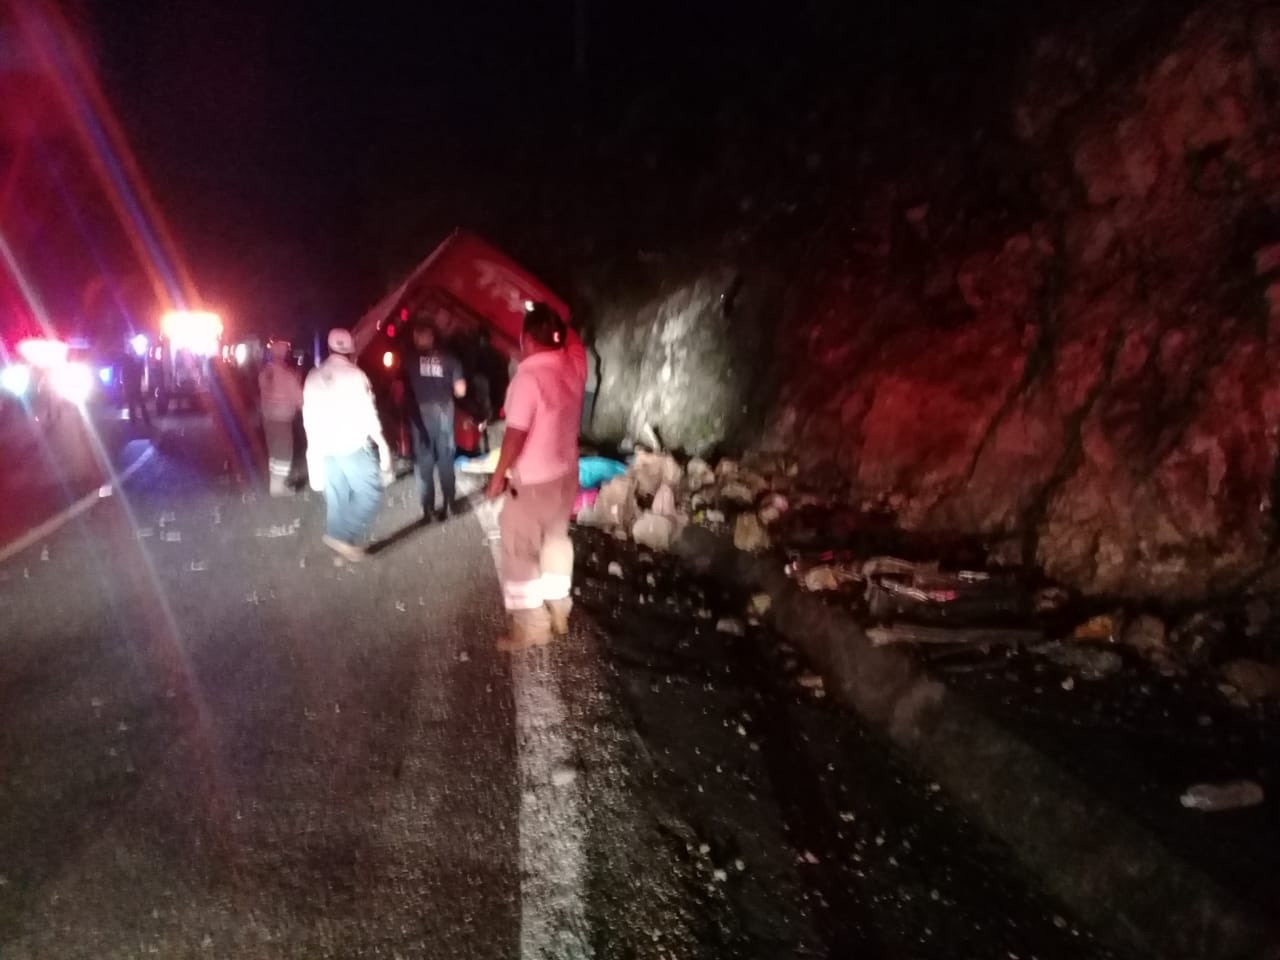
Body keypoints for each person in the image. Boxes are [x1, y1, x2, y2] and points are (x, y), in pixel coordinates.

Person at [485, 302, 587, 651]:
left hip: (532, 483)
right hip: (566, 475)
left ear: (526, 339)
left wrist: (498, 476)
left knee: (519, 548)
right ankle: (559, 609)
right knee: (556, 539)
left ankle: (532, 626)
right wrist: (557, 321)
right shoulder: (574, 365)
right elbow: (573, 340)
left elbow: (515, 435)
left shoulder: (527, 379)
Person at [303, 328, 393, 562]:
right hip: (353, 446)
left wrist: (313, 452)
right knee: (370, 494)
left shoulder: (313, 376)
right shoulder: (356, 375)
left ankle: (341, 549)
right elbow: (369, 413)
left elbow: (308, 417)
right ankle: (339, 537)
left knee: (337, 499)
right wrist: (382, 444)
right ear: (352, 350)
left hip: (325, 448)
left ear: (329, 348)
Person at [404, 322, 466, 521]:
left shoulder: (409, 360)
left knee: (424, 463)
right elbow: (461, 391)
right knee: (445, 458)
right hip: (444, 411)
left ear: (416, 338)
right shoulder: (450, 360)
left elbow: (400, 389)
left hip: (420, 415)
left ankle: (428, 510)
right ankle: (449, 504)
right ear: (432, 337)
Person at [258, 339, 303, 496]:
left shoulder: (265, 373)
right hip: (282, 420)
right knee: (283, 454)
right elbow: (300, 399)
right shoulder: (287, 375)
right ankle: (278, 488)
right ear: (284, 355)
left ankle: (275, 484)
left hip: (268, 419)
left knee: (274, 453)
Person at [122, 348, 150, 427]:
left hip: (130, 387)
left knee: (132, 404)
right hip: (136, 387)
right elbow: (138, 375)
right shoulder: (135, 364)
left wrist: (125, 388)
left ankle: (133, 420)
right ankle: (146, 419)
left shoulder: (126, 366)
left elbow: (125, 378)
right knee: (140, 403)